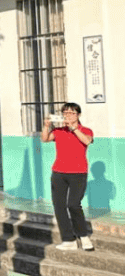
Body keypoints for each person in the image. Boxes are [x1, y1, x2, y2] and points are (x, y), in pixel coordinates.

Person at [41, 102, 95, 251]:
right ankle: (68, 239)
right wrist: (46, 126)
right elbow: (45, 139)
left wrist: (74, 128)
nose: (67, 116)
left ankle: (83, 236)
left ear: (78, 115)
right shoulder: (59, 131)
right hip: (58, 172)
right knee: (59, 206)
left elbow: (87, 141)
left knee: (73, 204)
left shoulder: (85, 130)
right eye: (65, 113)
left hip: (78, 173)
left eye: (71, 113)